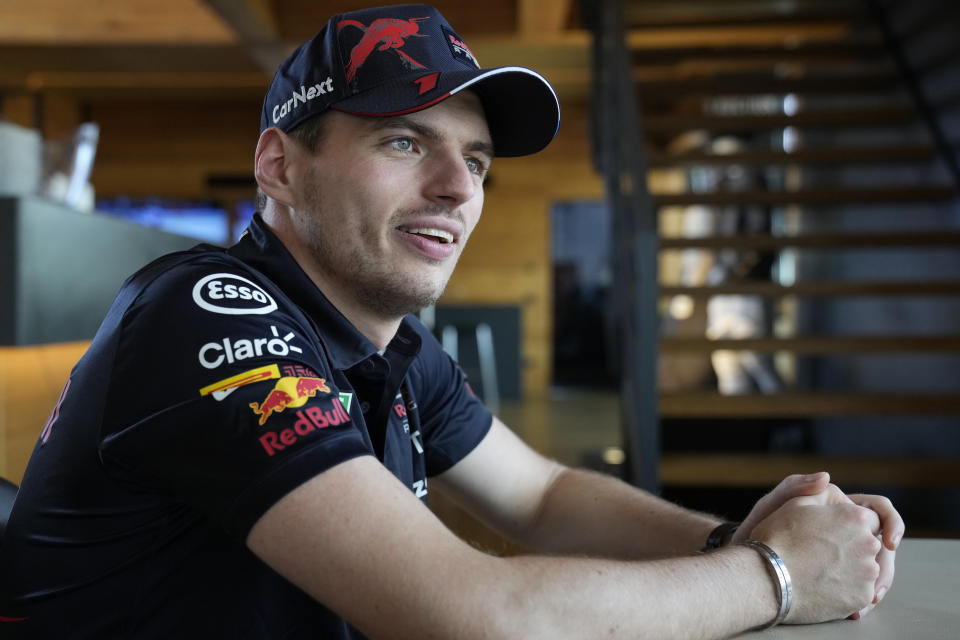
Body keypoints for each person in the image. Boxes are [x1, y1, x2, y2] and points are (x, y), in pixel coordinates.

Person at [0, 4, 903, 639]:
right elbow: (477, 620)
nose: (458, 188)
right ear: (279, 166)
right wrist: (773, 578)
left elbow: (544, 496)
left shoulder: (388, 345)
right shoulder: (206, 316)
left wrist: (740, 537)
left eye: (475, 159)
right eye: (404, 141)